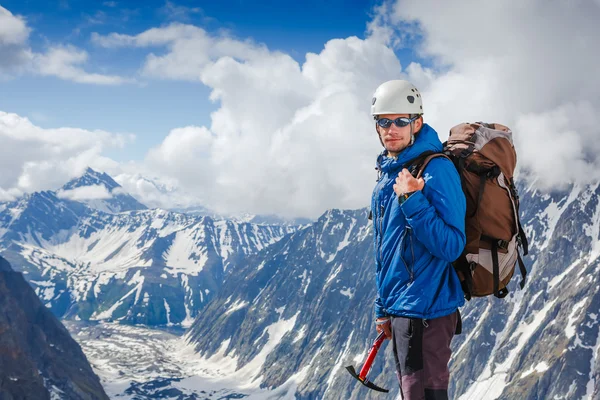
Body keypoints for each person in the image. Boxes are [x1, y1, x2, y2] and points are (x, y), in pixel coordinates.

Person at [370, 80, 466, 400]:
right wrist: (384, 308)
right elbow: (384, 249)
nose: (391, 129)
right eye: (384, 121)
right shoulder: (387, 174)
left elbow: (452, 245)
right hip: (403, 312)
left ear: (418, 123)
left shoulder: (437, 169)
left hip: (428, 314)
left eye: (401, 121)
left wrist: (412, 200)